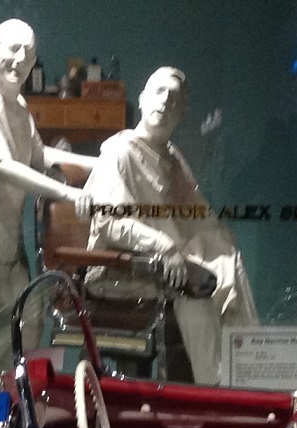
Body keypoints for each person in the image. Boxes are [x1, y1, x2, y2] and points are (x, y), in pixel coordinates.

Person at [84, 66, 257, 385]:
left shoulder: (172, 157)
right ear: (142, 99)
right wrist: (163, 246)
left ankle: (247, 374)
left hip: (167, 262)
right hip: (123, 267)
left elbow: (197, 214)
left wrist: (221, 243)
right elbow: (110, 223)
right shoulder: (120, 152)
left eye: (174, 99)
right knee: (195, 291)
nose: (165, 101)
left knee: (228, 263)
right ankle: (212, 389)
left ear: (182, 114)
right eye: (159, 92)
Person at [0, 18, 93, 325]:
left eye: (29, 52)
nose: (20, 58)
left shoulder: (20, 106)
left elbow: (40, 155)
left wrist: (99, 162)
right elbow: (3, 166)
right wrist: (67, 193)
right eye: (13, 48)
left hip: (11, 246)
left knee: (26, 326)